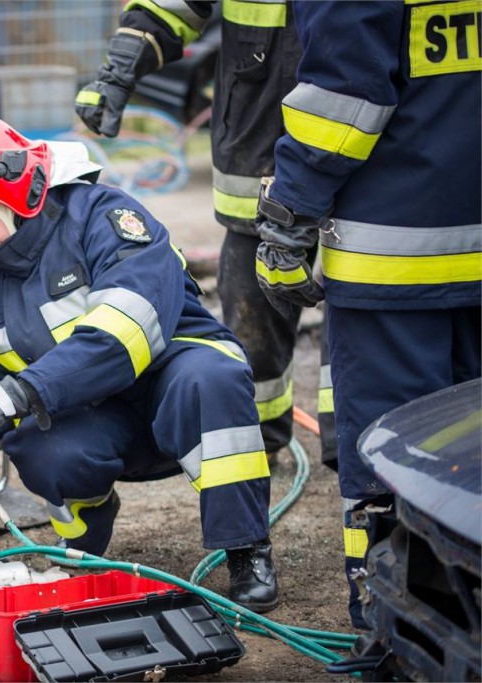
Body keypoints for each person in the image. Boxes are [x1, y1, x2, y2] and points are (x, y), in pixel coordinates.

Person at [0, 109, 280, 613]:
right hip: (96, 414)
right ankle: (84, 550)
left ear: (16, 193)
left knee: (208, 379)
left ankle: (246, 549)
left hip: (172, 382)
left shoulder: (103, 218)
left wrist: (20, 392)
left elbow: (124, 334)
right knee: (40, 445)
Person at [253, 1, 480, 629]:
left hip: (396, 261)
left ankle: (397, 629)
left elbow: (344, 96)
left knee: (393, 454)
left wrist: (288, 213)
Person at [74, 0, 339, 468]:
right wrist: (118, 73)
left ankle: (362, 460)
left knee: (361, 330)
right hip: (256, 164)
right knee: (251, 330)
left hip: (353, 165)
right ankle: (253, 444)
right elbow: (171, 7)